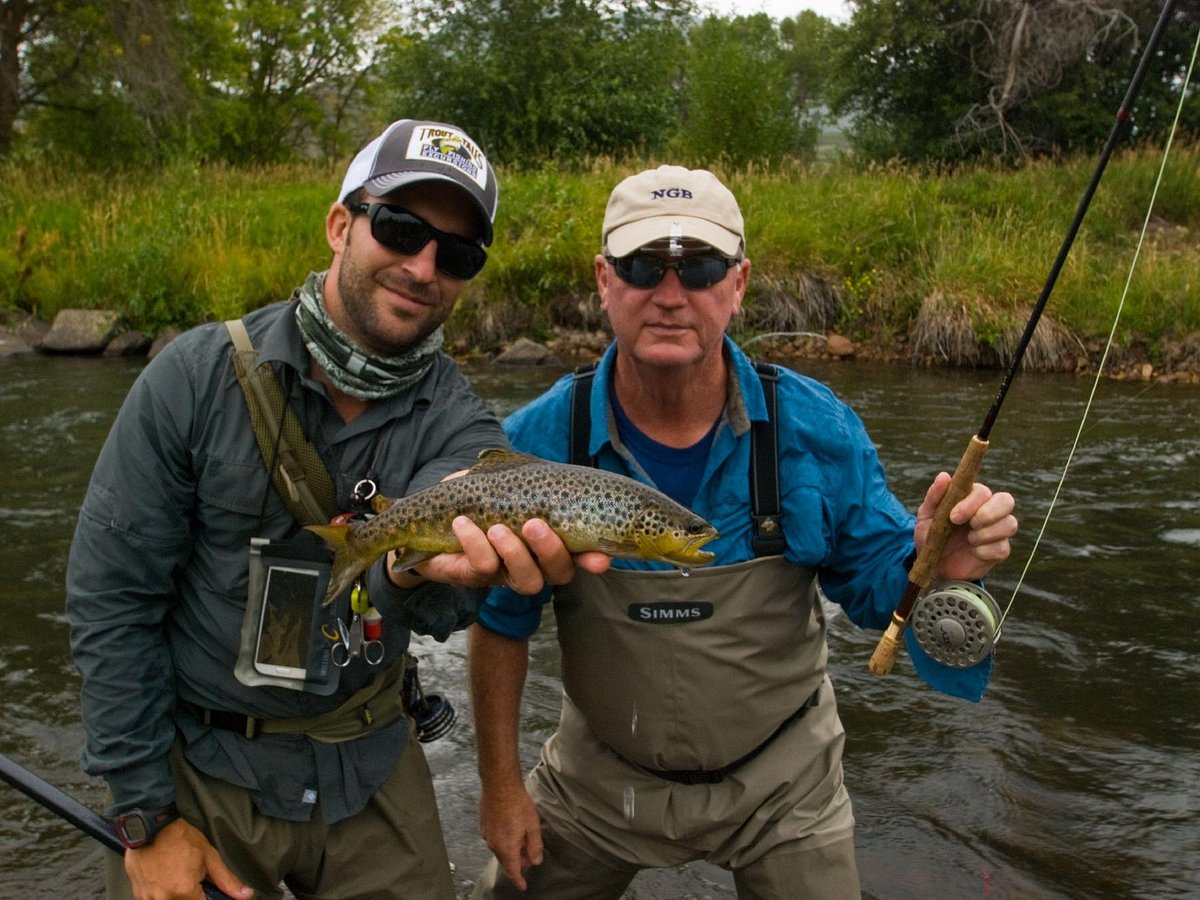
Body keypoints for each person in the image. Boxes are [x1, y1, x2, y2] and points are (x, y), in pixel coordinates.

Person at [65, 118, 601, 900]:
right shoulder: (192, 378)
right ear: (339, 225)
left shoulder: (464, 426)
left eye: (456, 254)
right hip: (205, 768)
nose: (423, 267)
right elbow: (111, 605)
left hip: (369, 760)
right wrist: (144, 816)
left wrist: (416, 571)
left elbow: (444, 608)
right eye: (399, 228)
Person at [468, 165, 1019, 899]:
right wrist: (500, 790)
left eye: (698, 268)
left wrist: (932, 565)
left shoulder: (814, 430)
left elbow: (875, 589)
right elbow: (497, 624)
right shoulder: (538, 439)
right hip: (595, 781)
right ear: (604, 281)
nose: (670, 295)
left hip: (783, 787)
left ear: (738, 283)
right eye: (641, 267)